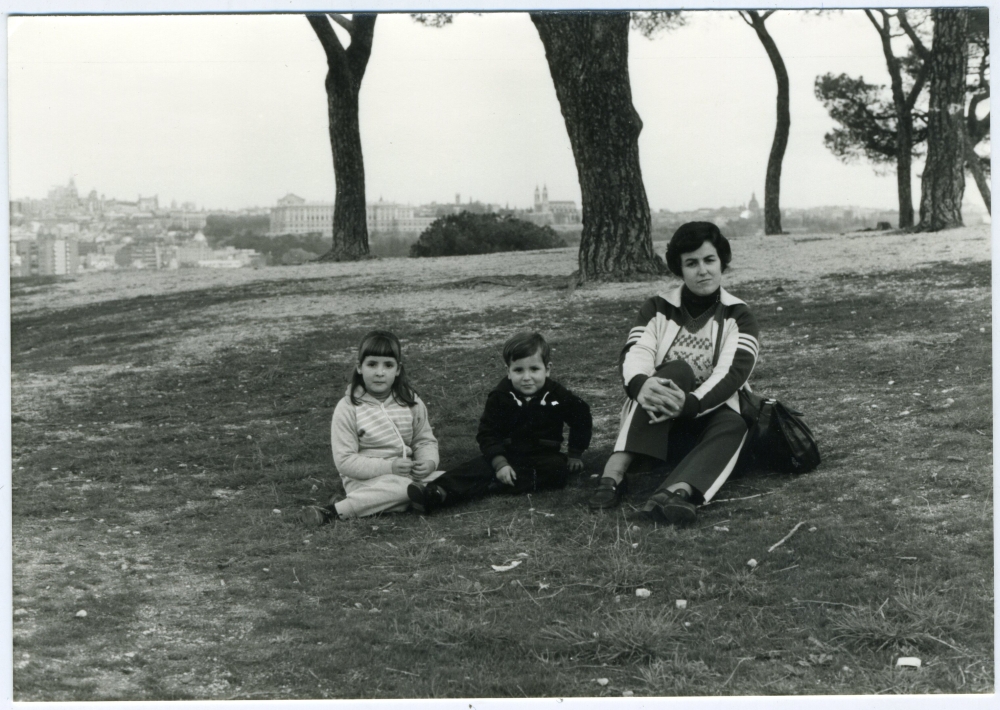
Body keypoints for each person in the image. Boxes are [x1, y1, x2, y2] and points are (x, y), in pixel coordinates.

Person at [587, 221, 760, 525]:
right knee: (677, 369)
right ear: (679, 269)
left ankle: (675, 494)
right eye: (691, 263)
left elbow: (733, 373)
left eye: (709, 260)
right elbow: (635, 352)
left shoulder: (739, 315)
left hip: (704, 414)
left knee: (736, 423)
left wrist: (690, 404)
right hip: (656, 421)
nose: (702, 271)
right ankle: (614, 473)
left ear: (722, 263)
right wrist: (640, 384)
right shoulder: (658, 307)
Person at [406, 331, 593, 513]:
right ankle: (436, 492)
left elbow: (582, 417)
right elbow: (487, 433)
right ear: (508, 371)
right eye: (518, 370)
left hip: (543, 456)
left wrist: (575, 453)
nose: (527, 377)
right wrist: (500, 463)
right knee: (476, 467)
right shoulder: (500, 397)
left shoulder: (557, 395)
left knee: (556, 471)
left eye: (534, 369)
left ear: (548, 369)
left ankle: (492, 485)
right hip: (508, 453)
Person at [300, 330, 443, 526]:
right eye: (372, 364)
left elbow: (423, 439)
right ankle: (333, 511)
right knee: (403, 488)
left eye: (388, 365)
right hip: (367, 481)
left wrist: (428, 462)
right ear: (359, 367)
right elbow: (345, 461)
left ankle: (409, 500)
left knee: (446, 478)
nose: (380, 372)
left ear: (398, 369)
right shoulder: (348, 407)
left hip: (409, 475)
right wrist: (389, 467)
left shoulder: (411, 401)